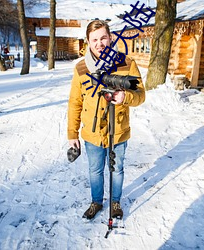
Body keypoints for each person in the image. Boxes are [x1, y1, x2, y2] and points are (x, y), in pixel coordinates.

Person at [67, 20, 145, 220]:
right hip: (92, 133)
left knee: (117, 168)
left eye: (103, 38)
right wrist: (72, 134)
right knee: (95, 170)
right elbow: (75, 102)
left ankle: (116, 202)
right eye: (94, 39)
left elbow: (140, 95)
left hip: (118, 130)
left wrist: (125, 97)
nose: (99, 43)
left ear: (110, 38)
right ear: (88, 42)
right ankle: (96, 202)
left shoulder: (127, 63)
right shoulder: (81, 68)